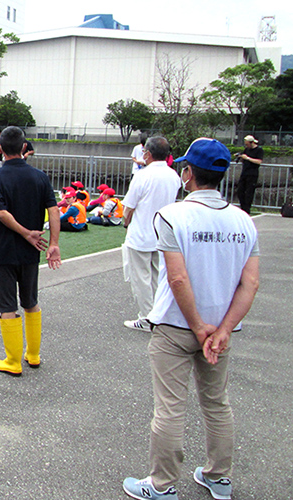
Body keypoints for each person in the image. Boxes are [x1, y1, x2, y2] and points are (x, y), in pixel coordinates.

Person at [123, 138, 259, 500]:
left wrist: (198, 327)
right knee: (216, 403)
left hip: (177, 326)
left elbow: (178, 278)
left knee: (170, 406)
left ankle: (162, 484)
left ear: (188, 174)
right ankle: (218, 476)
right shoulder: (244, 221)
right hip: (221, 330)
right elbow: (251, 282)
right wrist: (223, 329)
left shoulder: (173, 215)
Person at [0, 126, 61, 377]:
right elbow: (53, 210)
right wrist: (53, 243)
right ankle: (34, 355)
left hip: (5, 250)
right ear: (25, 148)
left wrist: (24, 232)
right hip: (33, 250)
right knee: (31, 301)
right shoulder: (40, 177)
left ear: (0, 149)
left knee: (8, 305)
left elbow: (1, 213)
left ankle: (13, 361)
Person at [122, 136, 181, 332]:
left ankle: (146, 318)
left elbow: (129, 207)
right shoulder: (174, 176)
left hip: (141, 234)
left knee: (141, 278)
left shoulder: (142, 175)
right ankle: (160, 314)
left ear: (147, 153)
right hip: (163, 234)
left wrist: (126, 222)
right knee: (158, 277)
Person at [235, 134, 264, 214]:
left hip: (252, 174)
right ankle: (243, 207)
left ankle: (247, 209)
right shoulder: (246, 149)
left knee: (249, 192)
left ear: (252, 143)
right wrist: (241, 157)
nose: (246, 146)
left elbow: (259, 161)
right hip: (244, 172)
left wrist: (248, 158)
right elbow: (244, 159)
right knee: (240, 191)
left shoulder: (259, 150)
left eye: (247, 144)